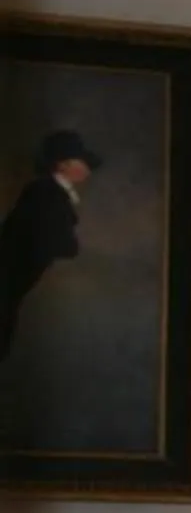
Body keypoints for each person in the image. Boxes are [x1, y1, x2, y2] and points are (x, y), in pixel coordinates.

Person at [0, 130, 97, 361]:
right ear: (62, 165)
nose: (86, 167)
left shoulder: (51, 193)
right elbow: (54, 240)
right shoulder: (46, 193)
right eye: (80, 161)